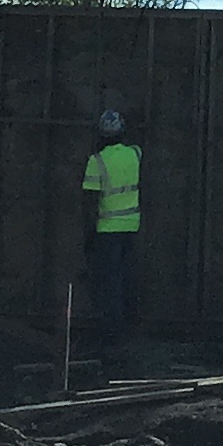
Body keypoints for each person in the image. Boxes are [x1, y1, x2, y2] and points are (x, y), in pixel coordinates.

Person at [79, 109, 141, 344]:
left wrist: (88, 236)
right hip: (132, 226)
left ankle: (112, 334)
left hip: (107, 230)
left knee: (109, 284)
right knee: (127, 279)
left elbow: (90, 203)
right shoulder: (135, 154)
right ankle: (130, 327)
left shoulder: (96, 162)